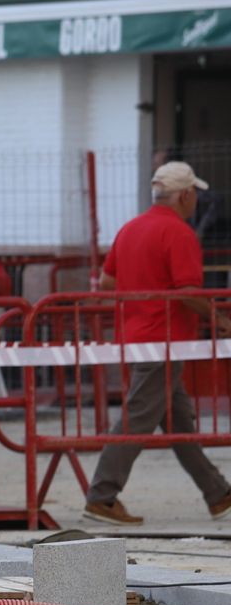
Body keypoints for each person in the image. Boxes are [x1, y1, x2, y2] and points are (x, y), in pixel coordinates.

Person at [85, 161, 231, 526]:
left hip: (137, 337)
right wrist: (219, 317)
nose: (196, 199)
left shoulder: (131, 228)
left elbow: (106, 282)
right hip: (164, 340)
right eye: (194, 193)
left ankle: (218, 494)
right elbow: (187, 292)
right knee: (138, 418)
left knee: (178, 422)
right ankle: (102, 495)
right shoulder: (179, 233)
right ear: (183, 195)